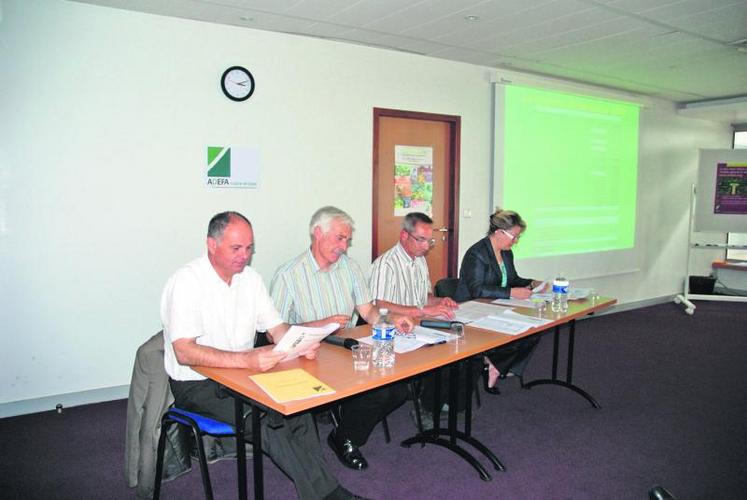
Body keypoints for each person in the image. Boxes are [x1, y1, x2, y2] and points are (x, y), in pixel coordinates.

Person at [161, 211, 362, 500]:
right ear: (211, 245)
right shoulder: (187, 282)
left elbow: (276, 328)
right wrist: (246, 360)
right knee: (265, 421)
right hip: (197, 383)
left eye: (249, 248)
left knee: (298, 408)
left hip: (243, 375)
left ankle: (320, 489)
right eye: (236, 248)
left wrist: (299, 343)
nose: (245, 255)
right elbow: (184, 351)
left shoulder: (250, 279)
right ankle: (328, 495)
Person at [270, 206, 414, 472]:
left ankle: (343, 431)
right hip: (307, 353)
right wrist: (317, 326)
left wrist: (390, 319)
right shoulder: (288, 275)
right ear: (317, 233)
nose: (344, 246)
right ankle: (347, 437)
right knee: (376, 389)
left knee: (398, 389)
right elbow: (273, 331)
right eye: (339, 238)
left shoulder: (349, 267)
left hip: (344, 347)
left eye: (347, 240)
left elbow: (368, 311)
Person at [453, 208, 545, 395]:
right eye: (514, 237)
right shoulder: (477, 253)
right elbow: (476, 289)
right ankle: (494, 362)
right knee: (520, 328)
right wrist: (512, 292)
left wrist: (532, 282)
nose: (516, 241)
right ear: (498, 233)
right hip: (472, 308)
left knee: (534, 328)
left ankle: (495, 363)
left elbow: (512, 279)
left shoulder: (506, 252)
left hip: (496, 306)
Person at [369, 212, 458, 319]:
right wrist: (421, 311)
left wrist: (440, 301)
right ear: (404, 235)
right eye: (421, 240)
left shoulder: (420, 259)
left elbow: (425, 298)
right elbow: (380, 306)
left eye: (430, 241)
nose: (426, 247)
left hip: (417, 323)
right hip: (393, 326)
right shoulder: (386, 264)